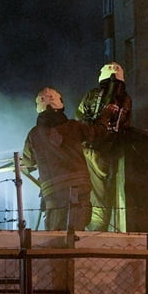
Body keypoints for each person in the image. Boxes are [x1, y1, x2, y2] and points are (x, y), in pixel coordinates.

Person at [21, 87, 95, 231]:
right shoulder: (75, 126)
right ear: (60, 104)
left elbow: (28, 161)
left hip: (54, 192)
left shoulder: (34, 134)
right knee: (78, 232)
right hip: (80, 187)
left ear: (39, 107)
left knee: (55, 234)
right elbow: (98, 135)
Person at [76, 62, 133, 232]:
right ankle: (112, 229)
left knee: (97, 196)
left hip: (92, 151)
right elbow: (126, 125)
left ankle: (96, 232)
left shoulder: (91, 95)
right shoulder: (126, 99)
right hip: (115, 153)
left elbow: (79, 120)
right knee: (114, 194)